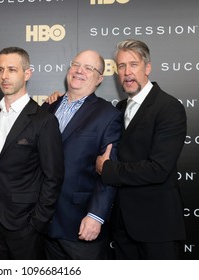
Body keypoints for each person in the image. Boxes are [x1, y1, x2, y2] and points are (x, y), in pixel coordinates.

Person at [96, 39, 187, 259]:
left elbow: (158, 169)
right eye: (121, 66)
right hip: (122, 227)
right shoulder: (120, 108)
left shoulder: (169, 107)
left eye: (133, 64)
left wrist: (107, 170)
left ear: (147, 68)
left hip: (157, 227)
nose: (127, 72)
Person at [41, 50, 122, 260]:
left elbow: (108, 172)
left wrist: (96, 216)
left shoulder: (108, 115)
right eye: (76, 65)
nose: (79, 71)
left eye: (89, 68)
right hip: (42, 221)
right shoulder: (48, 107)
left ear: (99, 79)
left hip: (80, 222)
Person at [0, 46, 64, 259]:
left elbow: (54, 177)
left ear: (27, 74)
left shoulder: (44, 120)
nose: (4, 76)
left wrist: (37, 223)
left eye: (12, 69)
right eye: (0, 70)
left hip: (25, 226)